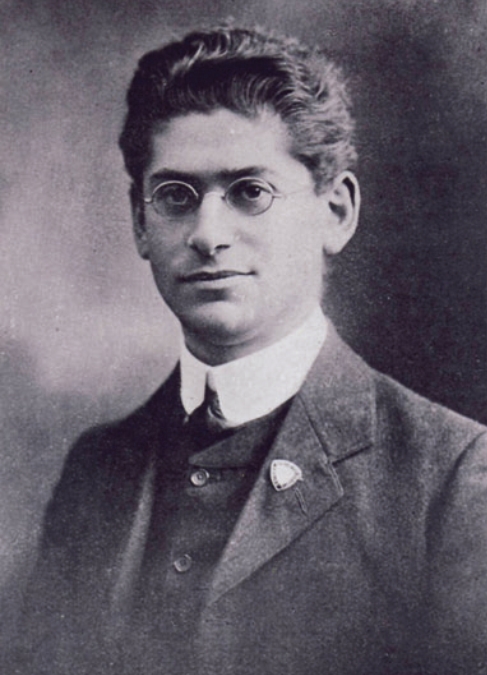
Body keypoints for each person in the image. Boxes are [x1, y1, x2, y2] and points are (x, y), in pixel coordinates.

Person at [12, 24, 487, 675]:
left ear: (335, 212)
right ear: (140, 223)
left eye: (250, 192)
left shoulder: (450, 476)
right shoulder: (97, 468)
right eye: (175, 196)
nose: (208, 234)